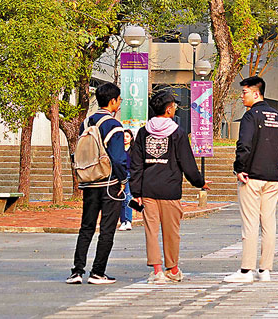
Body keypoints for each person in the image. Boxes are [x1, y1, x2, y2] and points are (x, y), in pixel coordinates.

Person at [130, 90, 209, 284]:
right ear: (168, 110)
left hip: (148, 189)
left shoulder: (143, 132)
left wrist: (136, 191)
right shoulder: (177, 133)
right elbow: (187, 162)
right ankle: (172, 269)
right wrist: (199, 182)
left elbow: (136, 164)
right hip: (170, 190)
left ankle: (157, 271)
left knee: (151, 231)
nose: (174, 109)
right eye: (173, 106)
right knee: (171, 232)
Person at [224, 75, 278, 283]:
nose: (242, 96)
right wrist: (272, 160)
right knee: (269, 223)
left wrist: (239, 168)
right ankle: (265, 270)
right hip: (273, 178)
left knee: (250, 223)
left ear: (256, 93)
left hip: (252, 177)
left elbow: (244, 145)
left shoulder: (250, 116)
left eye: (244, 92)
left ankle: (246, 270)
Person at [66, 82, 128, 285]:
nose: (119, 103)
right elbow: (118, 158)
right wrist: (124, 179)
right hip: (109, 182)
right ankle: (98, 272)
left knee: (87, 227)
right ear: (113, 101)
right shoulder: (114, 125)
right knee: (107, 229)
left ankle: (77, 271)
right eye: (118, 100)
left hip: (89, 181)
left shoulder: (86, 123)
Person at [119, 129, 134, 231]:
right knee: (121, 199)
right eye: (123, 136)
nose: (125, 139)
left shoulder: (134, 150)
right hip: (120, 175)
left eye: (127, 137)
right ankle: (122, 221)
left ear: (131, 138)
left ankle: (128, 221)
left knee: (128, 198)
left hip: (130, 175)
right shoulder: (118, 149)